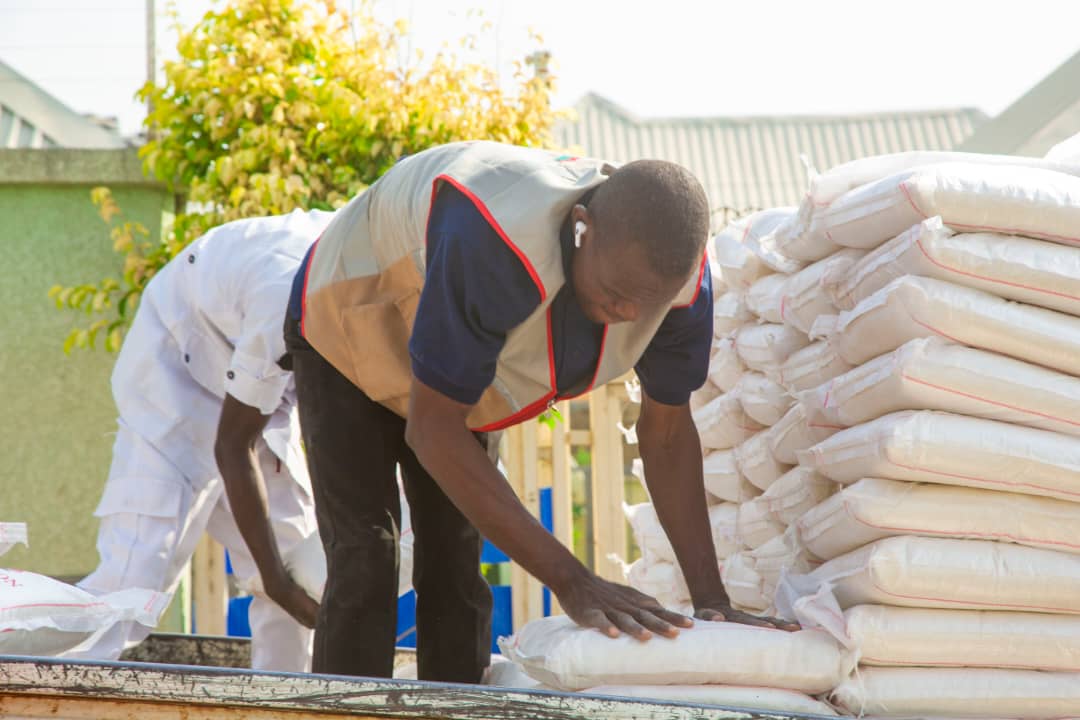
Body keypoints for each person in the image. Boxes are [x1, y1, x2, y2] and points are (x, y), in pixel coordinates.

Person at [285, 140, 795, 683]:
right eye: (617, 292)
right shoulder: (493, 237)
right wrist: (573, 581)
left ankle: (455, 713)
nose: (628, 312)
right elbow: (433, 432)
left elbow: (667, 436)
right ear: (581, 228)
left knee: (454, 564)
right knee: (367, 555)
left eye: (646, 304)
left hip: (451, 361)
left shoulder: (682, 287)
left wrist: (712, 601)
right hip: (347, 326)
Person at [72, 208, 335, 672]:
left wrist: (285, 579)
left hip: (262, 387)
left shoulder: (382, 281)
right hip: (178, 369)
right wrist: (272, 580)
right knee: (132, 584)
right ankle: (26, 681)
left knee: (298, 573)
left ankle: (290, 700)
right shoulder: (283, 295)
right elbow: (232, 445)